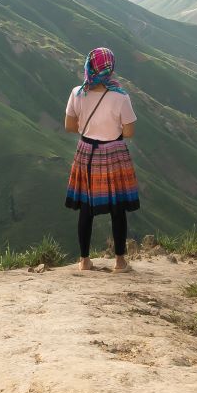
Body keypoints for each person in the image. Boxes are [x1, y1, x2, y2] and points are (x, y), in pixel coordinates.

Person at [63, 46, 140, 272]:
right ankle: (119, 261)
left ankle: (84, 261)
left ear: (89, 65)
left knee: (87, 207)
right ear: (111, 68)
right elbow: (128, 132)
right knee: (118, 209)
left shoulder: (78, 92)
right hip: (114, 153)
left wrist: (91, 127)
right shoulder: (120, 97)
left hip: (86, 152)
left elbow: (69, 126)